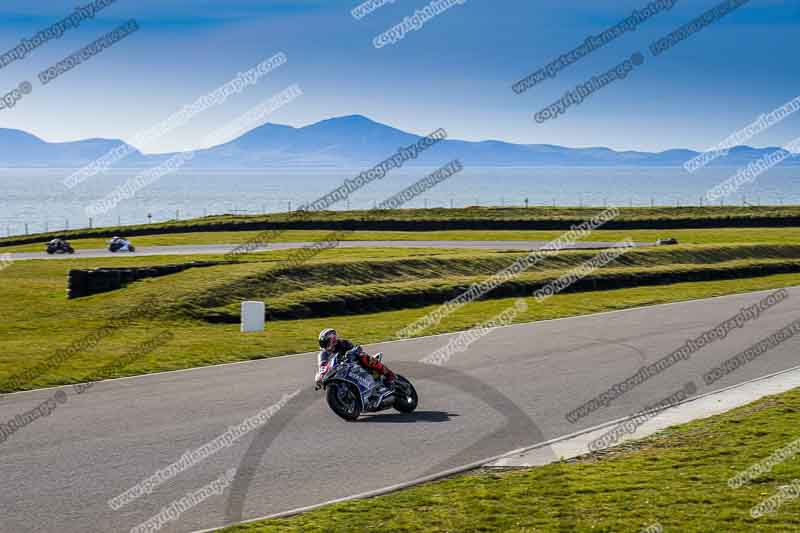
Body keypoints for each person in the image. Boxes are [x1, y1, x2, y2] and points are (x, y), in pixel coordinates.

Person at [315, 328, 395, 389]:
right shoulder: (323, 354)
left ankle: (389, 375)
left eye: (325, 342)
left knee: (362, 356)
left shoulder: (343, 343)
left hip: (355, 365)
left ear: (332, 340)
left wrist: (351, 353)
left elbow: (357, 348)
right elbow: (322, 366)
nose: (324, 345)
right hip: (341, 372)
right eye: (322, 343)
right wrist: (320, 378)